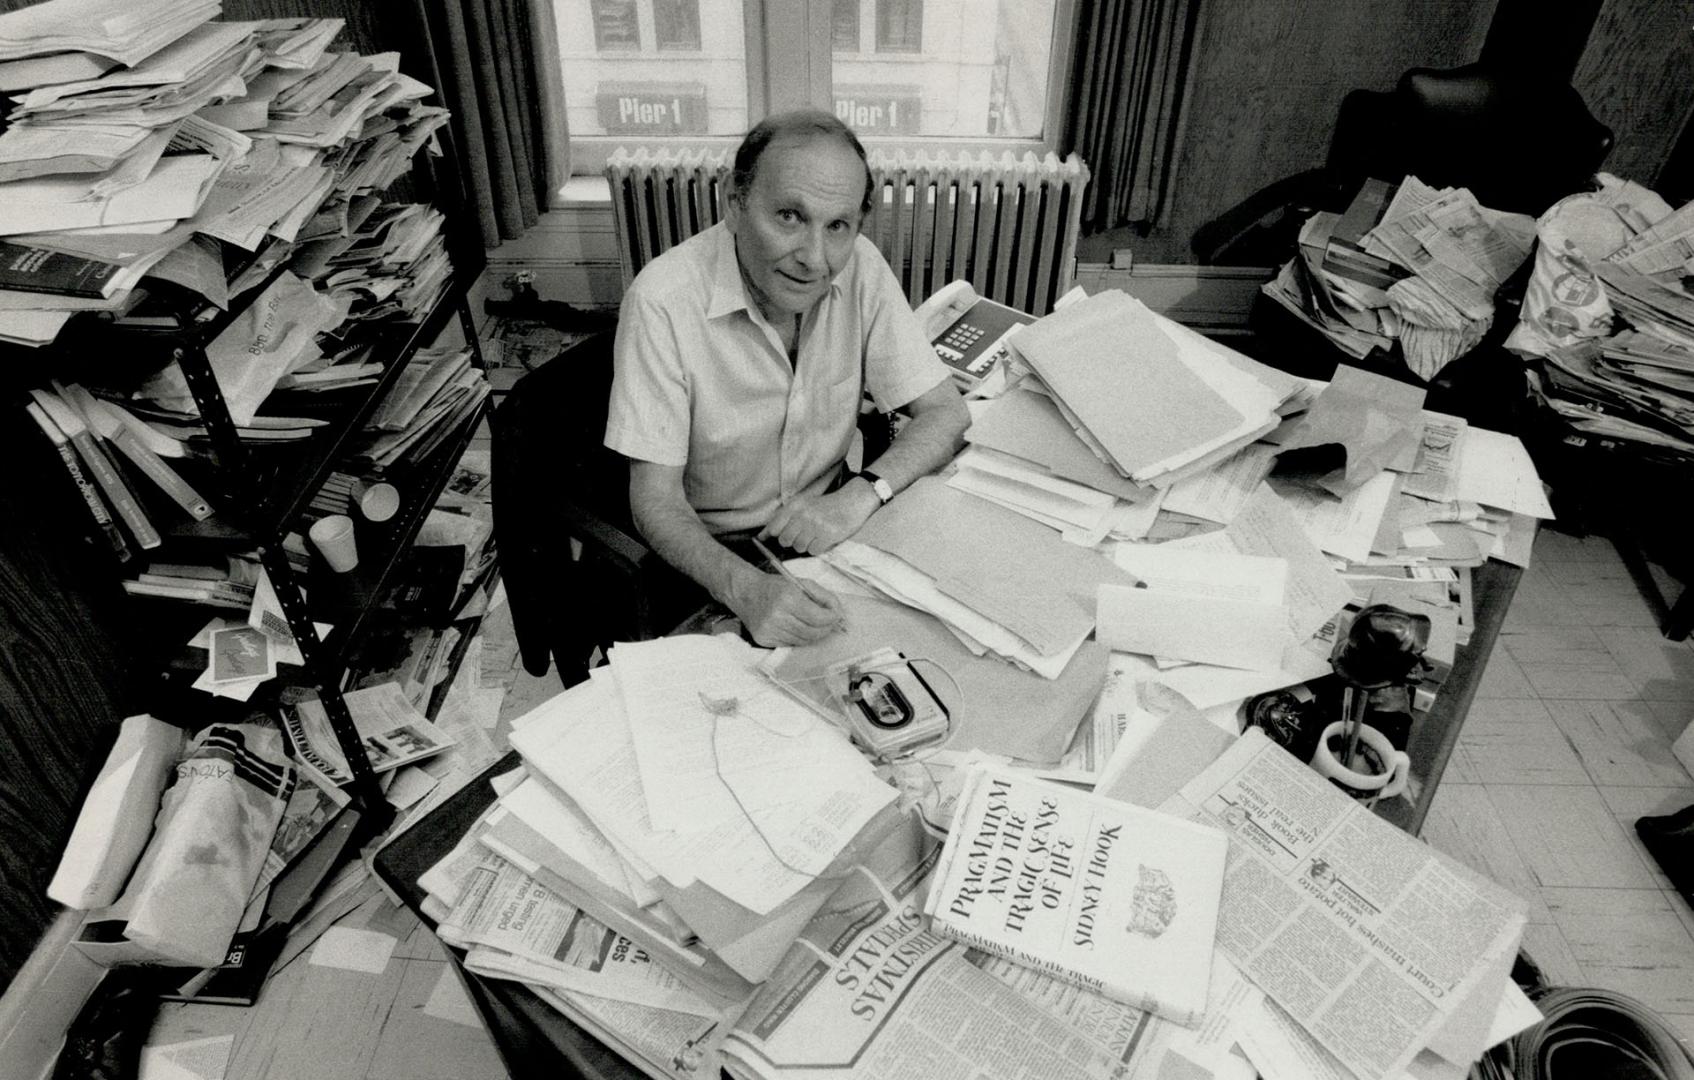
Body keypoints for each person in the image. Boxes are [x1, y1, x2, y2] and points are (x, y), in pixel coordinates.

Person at [605, 110, 969, 647]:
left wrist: (864, 494)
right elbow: (654, 501)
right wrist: (747, 590)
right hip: (716, 555)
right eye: (790, 217)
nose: (814, 260)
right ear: (734, 202)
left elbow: (946, 411)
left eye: (837, 226)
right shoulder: (661, 301)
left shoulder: (860, 266)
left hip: (834, 518)